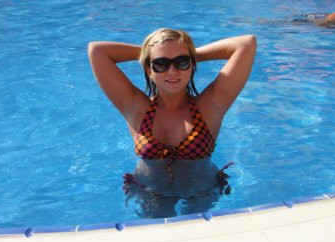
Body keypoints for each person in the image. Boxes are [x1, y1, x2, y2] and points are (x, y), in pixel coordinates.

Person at [88, 29, 256, 217]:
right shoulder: (135, 107)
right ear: (148, 69)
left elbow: (246, 44)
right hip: (150, 192)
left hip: (201, 192)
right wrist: (151, 51)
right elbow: (97, 50)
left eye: (181, 62)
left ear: (191, 65)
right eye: (160, 63)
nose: (172, 71)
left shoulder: (210, 106)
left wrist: (190, 54)